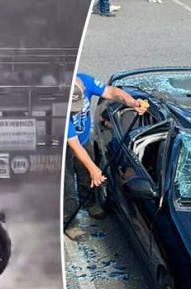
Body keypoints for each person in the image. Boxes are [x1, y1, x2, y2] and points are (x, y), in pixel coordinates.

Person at [63, 73, 147, 241]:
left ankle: (90, 203)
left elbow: (112, 92)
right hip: (65, 145)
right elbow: (74, 146)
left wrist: (132, 102)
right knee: (67, 185)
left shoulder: (84, 81)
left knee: (86, 174)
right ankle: (69, 222)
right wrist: (95, 170)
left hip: (83, 137)